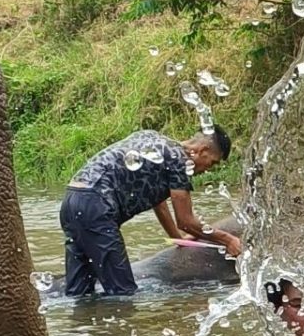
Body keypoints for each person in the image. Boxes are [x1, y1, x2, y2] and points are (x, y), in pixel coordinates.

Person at [60, 126, 241, 298]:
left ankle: (79, 328)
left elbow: (159, 203)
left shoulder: (154, 139)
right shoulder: (179, 162)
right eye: (212, 163)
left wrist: (176, 237)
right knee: (123, 294)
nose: (208, 170)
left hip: (72, 200)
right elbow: (186, 221)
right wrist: (229, 240)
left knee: (79, 292)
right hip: (96, 207)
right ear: (202, 150)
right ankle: (118, 329)